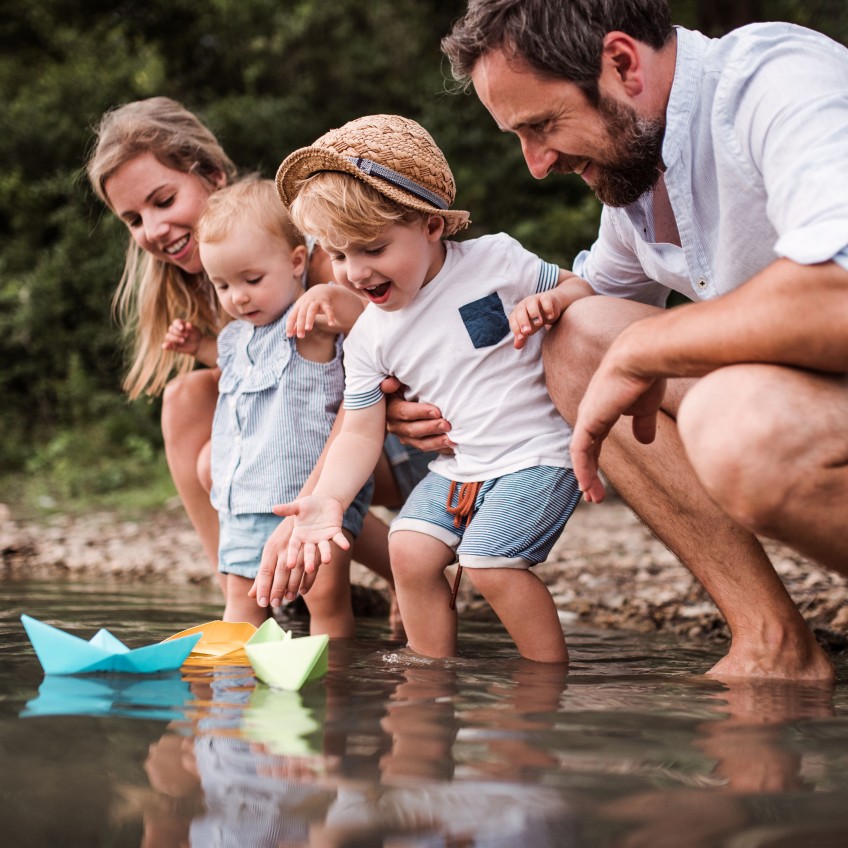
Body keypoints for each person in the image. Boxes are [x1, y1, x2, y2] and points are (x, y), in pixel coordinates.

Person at [436, 0, 846, 679]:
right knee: (576, 340)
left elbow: (839, 286)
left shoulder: (775, 79)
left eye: (542, 126)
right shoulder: (640, 176)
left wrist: (645, 349)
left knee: (739, 426)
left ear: (622, 63)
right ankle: (771, 644)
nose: (536, 164)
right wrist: (434, 393)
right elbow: (590, 302)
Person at [85, 97, 431, 620]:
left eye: (163, 200)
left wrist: (312, 506)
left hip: (400, 435)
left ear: (212, 175)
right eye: (133, 219)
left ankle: (350, 576)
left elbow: (363, 386)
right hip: (324, 443)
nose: (153, 228)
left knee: (269, 475)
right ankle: (245, 585)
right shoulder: (223, 284)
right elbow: (262, 384)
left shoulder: (317, 258)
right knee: (190, 402)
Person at [272, 114, 595, 663]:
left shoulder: (495, 261)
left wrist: (557, 301)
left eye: (372, 249)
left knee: (492, 565)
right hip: (460, 465)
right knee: (408, 549)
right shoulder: (370, 336)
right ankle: (429, 674)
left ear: (431, 226)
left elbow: (578, 286)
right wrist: (328, 498)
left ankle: (546, 682)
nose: (354, 272)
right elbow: (359, 431)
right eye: (340, 254)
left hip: (537, 452)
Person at [161, 177, 376, 632]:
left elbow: (367, 324)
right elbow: (237, 367)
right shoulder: (237, 335)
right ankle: (234, 693)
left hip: (307, 498)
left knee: (326, 603)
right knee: (242, 604)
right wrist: (199, 345)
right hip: (242, 500)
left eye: (251, 280)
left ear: (297, 262)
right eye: (221, 285)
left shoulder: (310, 323)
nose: (237, 296)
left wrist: (330, 295)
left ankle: (334, 685)